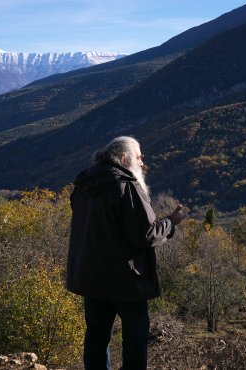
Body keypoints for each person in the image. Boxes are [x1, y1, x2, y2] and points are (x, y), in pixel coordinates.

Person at [67, 136, 185, 370]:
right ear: (124, 159)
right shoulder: (126, 186)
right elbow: (147, 235)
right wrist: (171, 222)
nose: (143, 164)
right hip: (126, 281)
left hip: (91, 277)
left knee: (97, 337)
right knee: (135, 339)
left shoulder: (83, 185)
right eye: (139, 157)